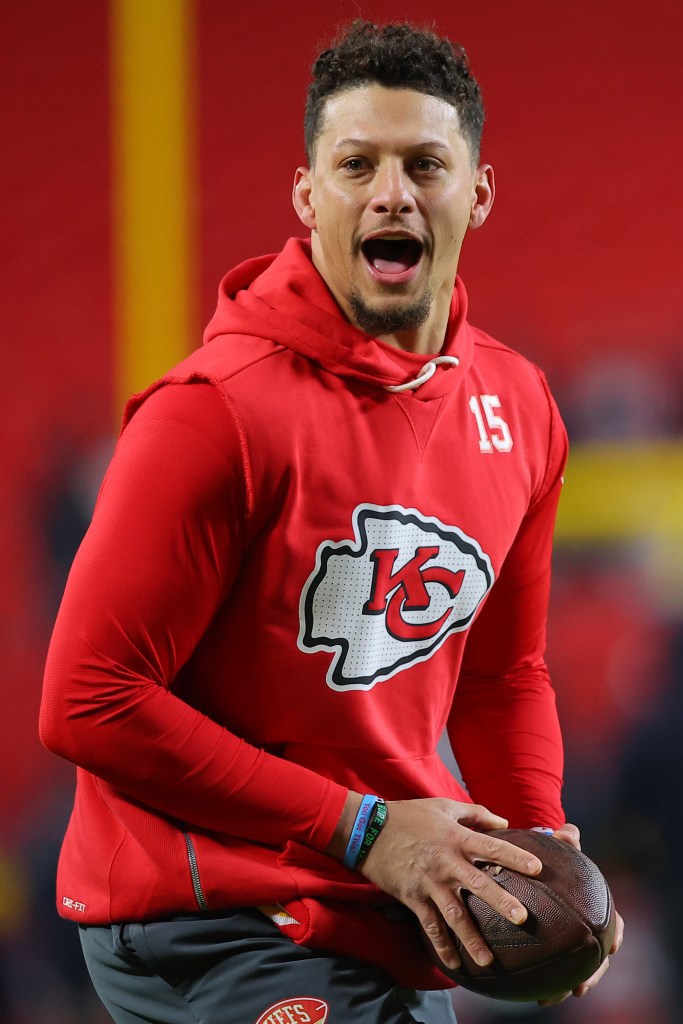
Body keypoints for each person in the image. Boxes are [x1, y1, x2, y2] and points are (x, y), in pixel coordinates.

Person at [40, 20, 622, 1024]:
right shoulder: (215, 413)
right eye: (357, 165)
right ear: (309, 197)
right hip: (214, 907)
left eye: (423, 164)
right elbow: (87, 700)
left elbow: (500, 674)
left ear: (477, 192)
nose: (391, 193)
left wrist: (537, 851)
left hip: (381, 894)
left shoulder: (518, 408)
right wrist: (363, 830)